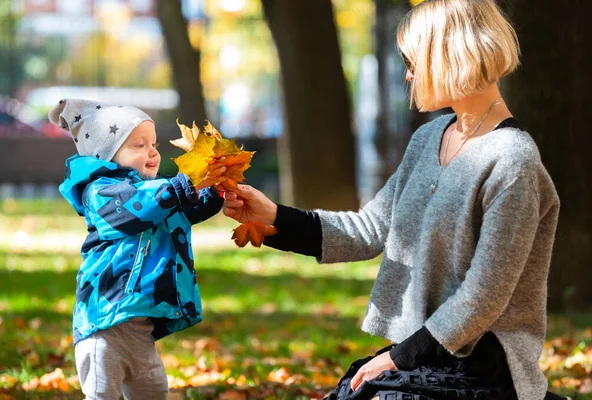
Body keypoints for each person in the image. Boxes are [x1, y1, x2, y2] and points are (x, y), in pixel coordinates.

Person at [221, 0, 565, 399]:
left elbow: (483, 297)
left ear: (450, 57)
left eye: (415, 61)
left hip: (484, 365)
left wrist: (397, 358)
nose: (408, 73)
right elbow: (369, 230)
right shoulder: (427, 140)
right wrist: (274, 217)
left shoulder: (513, 161)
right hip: (426, 354)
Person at [51, 99, 226, 400]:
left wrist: (214, 191)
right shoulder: (102, 193)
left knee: (154, 391)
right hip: (103, 324)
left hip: (139, 330)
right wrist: (185, 185)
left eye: (154, 144)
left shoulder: (157, 197)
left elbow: (179, 210)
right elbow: (139, 207)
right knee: (101, 393)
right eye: (139, 145)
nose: (153, 152)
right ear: (107, 155)